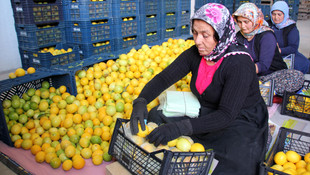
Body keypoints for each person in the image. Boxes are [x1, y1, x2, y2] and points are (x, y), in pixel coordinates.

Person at [130, 3, 268, 175]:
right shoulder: (196, 53)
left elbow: (226, 115)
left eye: (205, 35)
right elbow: (165, 77)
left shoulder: (239, 63)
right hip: (209, 111)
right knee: (155, 116)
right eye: (195, 32)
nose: (197, 40)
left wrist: (179, 128)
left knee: (234, 163)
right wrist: (141, 100)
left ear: (221, 35)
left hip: (239, 119)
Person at [233, 3, 304, 95]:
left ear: (255, 20)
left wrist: (241, 71)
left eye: (246, 22)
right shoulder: (239, 36)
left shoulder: (266, 36)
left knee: (296, 76)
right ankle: (255, 88)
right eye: (239, 22)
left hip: (271, 75)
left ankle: (256, 87)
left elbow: (263, 65)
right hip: (251, 74)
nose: (242, 26)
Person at [268, 1, 310, 74]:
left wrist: (280, 50)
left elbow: (293, 48)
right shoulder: (267, 25)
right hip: (270, 54)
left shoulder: (291, 28)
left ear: (285, 14)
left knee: (291, 71)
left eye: (279, 14)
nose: (276, 17)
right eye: (273, 14)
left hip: (286, 55)